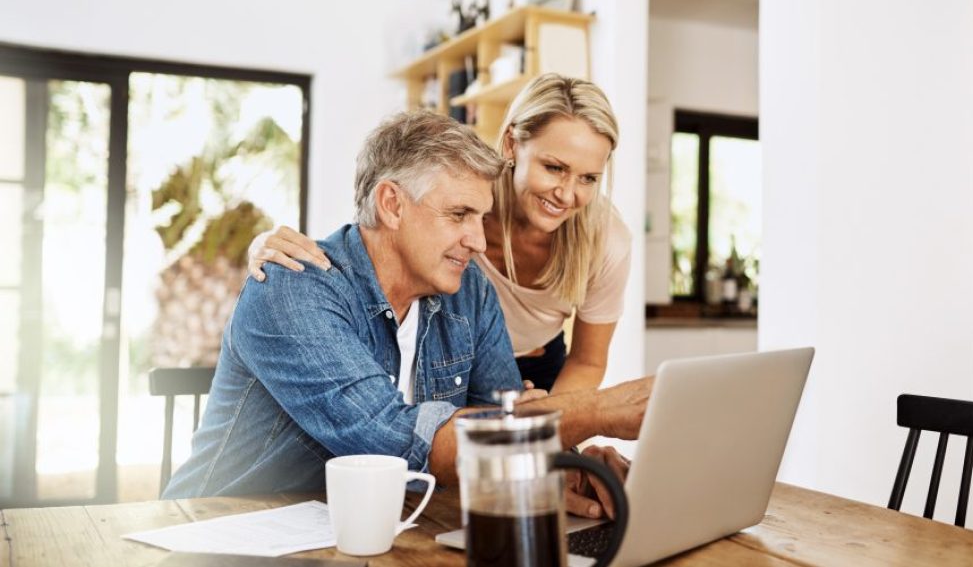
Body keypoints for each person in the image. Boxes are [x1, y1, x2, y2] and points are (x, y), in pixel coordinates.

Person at [164, 111, 648, 519]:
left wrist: (569, 464)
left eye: (481, 217)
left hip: (373, 531)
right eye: (459, 215)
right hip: (220, 531)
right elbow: (397, 442)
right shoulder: (293, 289)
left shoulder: (469, 292)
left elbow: (505, 414)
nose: (479, 241)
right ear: (392, 204)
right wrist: (598, 411)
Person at [250, 73, 630, 393]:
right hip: (446, 350)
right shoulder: (467, 188)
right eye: (554, 168)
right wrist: (268, 249)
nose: (567, 193)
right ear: (513, 143)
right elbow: (377, 232)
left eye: (589, 178)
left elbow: (588, 360)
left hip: (538, 367)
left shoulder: (606, 241)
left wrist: (556, 424)